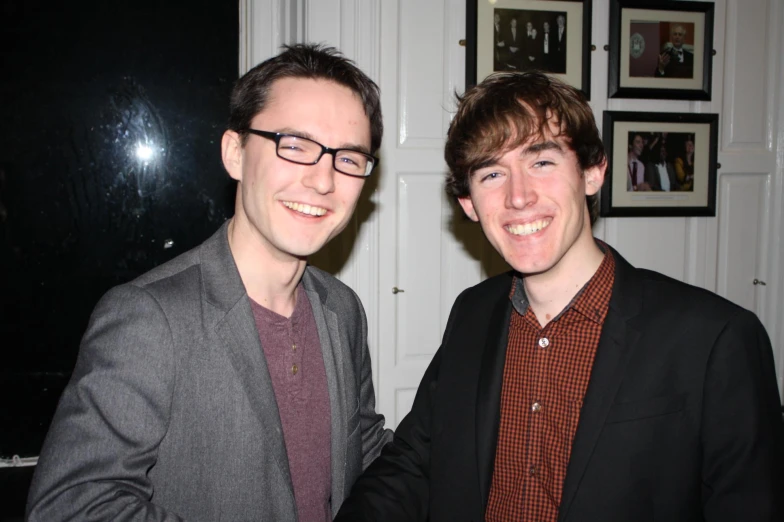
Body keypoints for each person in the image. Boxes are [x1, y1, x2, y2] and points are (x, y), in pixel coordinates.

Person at [335, 71, 783, 522]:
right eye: (492, 173)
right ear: (469, 204)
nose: (519, 196)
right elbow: (414, 462)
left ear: (593, 172)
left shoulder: (716, 338)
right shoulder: (472, 312)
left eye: (542, 162)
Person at [26, 43, 392, 522]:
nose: (323, 180)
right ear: (235, 154)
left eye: (347, 158)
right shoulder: (149, 317)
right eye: (295, 145)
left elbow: (365, 454)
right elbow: (71, 507)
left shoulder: (342, 308)